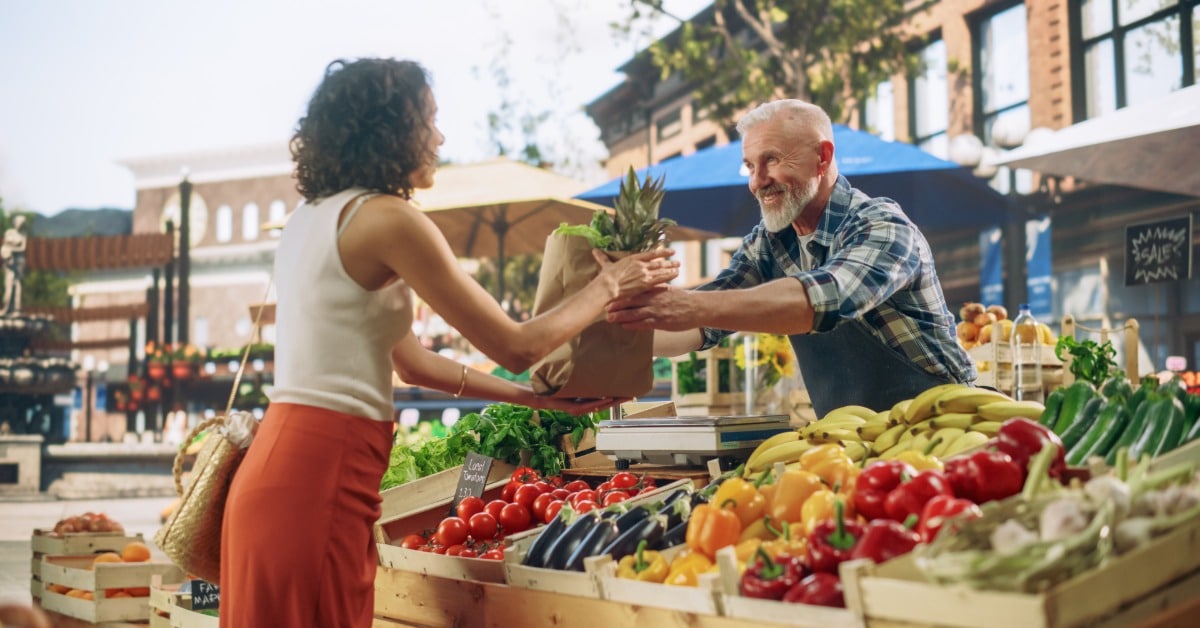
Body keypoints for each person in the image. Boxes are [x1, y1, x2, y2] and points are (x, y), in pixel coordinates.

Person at [219, 58, 678, 628]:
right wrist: (613, 282)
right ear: (390, 128)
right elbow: (516, 347)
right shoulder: (390, 219)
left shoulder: (309, 219)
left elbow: (409, 363)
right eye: (428, 120)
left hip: (279, 472)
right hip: (323, 477)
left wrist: (531, 400)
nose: (439, 137)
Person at [606, 99, 975, 417]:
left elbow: (825, 299)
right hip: (856, 439)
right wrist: (607, 337)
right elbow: (701, 324)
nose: (757, 181)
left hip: (946, 424)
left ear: (823, 156)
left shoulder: (883, 226)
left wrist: (689, 304)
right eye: (750, 166)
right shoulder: (769, 243)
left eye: (772, 160)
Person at [1, 214, 27, 315]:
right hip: (10, 262)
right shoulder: (10, 232)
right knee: (9, 285)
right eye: (20, 222)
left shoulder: (23, 235)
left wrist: (12, 249)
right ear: (16, 222)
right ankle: (6, 307)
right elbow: (5, 245)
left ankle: (16, 309)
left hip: (19, 262)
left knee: (18, 285)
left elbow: (23, 248)